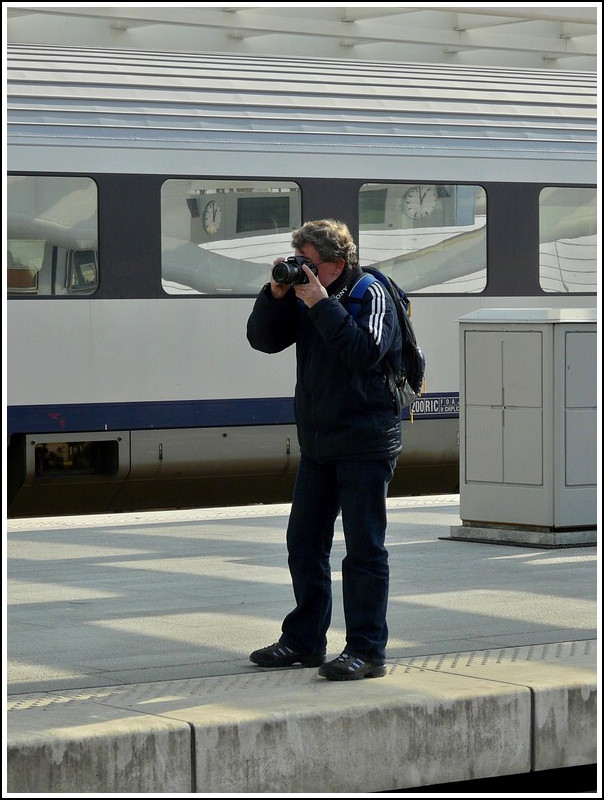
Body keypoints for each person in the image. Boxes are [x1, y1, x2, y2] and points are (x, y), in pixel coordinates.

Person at [246, 219, 403, 681]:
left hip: (365, 441)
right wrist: (275, 294)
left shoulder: (370, 292)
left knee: (363, 550)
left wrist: (320, 304)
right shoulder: (305, 295)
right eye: (297, 262)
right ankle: (304, 640)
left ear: (337, 264)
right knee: (304, 543)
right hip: (319, 442)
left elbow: (364, 353)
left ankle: (367, 650)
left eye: (309, 264)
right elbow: (263, 340)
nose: (302, 271)